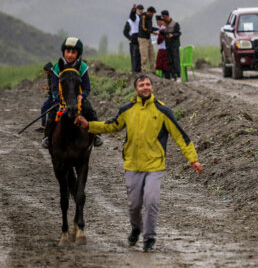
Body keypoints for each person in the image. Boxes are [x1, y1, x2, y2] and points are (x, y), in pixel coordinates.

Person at [74, 74, 203, 252]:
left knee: (151, 202)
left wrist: (193, 159)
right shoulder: (127, 109)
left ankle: (149, 238)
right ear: (136, 89)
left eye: (148, 84)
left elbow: (181, 136)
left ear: (152, 88)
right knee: (134, 205)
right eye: (141, 85)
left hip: (154, 166)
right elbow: (112, 125)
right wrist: (89, 126)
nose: (145, 87)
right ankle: (136, 228)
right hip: (132, 165)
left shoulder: (163, 110)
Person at [41, 37, 103, 149]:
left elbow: (86, 87)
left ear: (78, 54)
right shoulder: (57, 67)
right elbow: (54, 87)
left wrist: (82, 96)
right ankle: (47, 137)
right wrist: (58, 97)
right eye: (67, 51)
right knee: (52, 114)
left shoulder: (82, 67)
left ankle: (97, 134)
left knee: (90, 111)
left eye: (73, 52)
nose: (70, 55)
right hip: (62, 99)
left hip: (77, 99)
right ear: (63, 52)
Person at [161, 10, 182, 80]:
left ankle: (178, 76)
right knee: (170, 61)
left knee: (176, 61)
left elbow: (179, 33)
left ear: (167, 16)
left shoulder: (175, 24)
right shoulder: (164, 25)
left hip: (174, 45)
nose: (163, 19)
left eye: (164, 17)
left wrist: (172, 35)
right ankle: (173, 76)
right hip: (168, 45)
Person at [138, 6, 157, 73]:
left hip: (148, 38)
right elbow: (143, 28)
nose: (152, 15)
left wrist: (157, 29)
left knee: (152, 54)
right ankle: (143, 70)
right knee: (144, 55)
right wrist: (152, 32)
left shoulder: (150, 18)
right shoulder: (143, 17)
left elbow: (150, 27)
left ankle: (153, 70)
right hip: (143, 38)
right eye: (152, 13)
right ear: (148, 12)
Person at [124, 4, 142, 73]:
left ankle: (138, 70)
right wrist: (131, 38)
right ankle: (134, 71)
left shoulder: (140, 18)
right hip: (133, 41)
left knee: (139, 56)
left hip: (139, 39)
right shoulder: (131, 19)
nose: (140, 11)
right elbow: (125, 32)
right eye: (139, 9)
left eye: (141, 10)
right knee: (134, 56)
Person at [37, 62, 54, 132]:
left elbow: (55, 87)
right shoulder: (49, 76)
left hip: (55, 97)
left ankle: (51, 128)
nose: (45, 72)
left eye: (46, 70)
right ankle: (43, 126)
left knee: (52, 112)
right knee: (43, 109)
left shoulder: (54, 76)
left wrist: (47, 88)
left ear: (49, 70)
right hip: (51, 96)